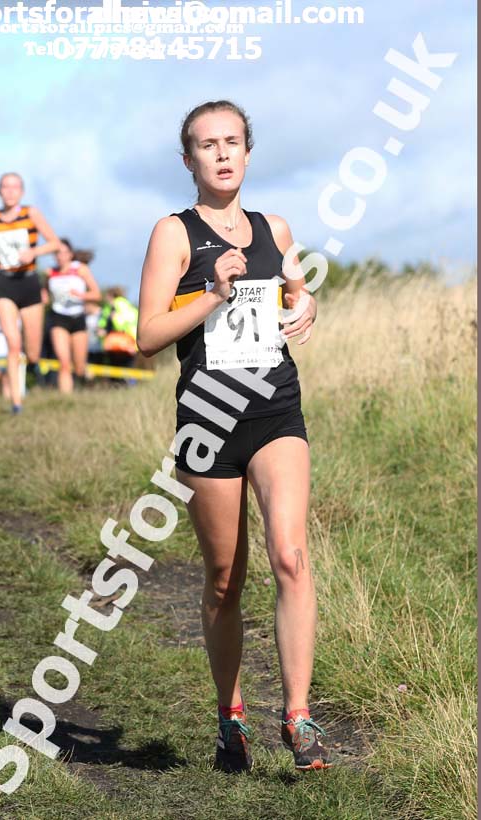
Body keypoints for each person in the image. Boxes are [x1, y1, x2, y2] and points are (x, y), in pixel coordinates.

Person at [137, 101, 331, 774]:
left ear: (248, 151)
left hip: (275, 408)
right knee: (224, 578)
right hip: (208, 423)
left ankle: (299, 718)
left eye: (231, 142)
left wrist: (304, 302)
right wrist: (213, 295)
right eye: (205, 145)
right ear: (186, 158)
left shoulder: (274, 227)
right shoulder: (173, 234)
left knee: (290, 554)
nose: (220, 154)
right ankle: (230, 717)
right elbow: (145, 339)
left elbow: (295, 292)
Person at [0, 172, 60, 413]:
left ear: (21, 191)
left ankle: (32, 368)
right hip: (4, 283)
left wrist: (35, 252)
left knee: (31, 352)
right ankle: (16, 403)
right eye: (5, 187)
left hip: (29, 282)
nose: (9, 191)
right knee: (12, 343)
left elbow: (55, 243)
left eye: (15, 187)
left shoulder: (31, 213)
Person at [43, 239, 101, 393]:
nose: (60, 256)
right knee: (64, 363)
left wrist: (81, 295)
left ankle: (86, 383)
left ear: (70, 254)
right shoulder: (50, 272)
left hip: (77, 318)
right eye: (57, 253)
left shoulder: (80, 269)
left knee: (79, 367)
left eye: (64, 252)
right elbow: (45, 294)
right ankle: (65, 400)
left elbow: (96, 294)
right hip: (58, 317)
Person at [97, 287, 139, 369]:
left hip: (118, 343)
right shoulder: (130, 307)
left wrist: (105, 330)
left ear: (111, 296)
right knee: (127, 369)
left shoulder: (115, 305)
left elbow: (118, 325)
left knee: (115, 370)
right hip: (131, 343)